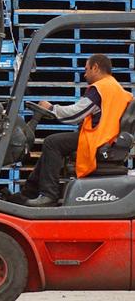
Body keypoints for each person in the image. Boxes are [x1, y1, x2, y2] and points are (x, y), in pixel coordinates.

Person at [22, 53, 132, 207]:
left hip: (98, 140)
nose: (84, 74)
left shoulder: (101, 88)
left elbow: (76, 114)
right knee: (54, 144)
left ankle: (48, 195)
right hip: (107, 139)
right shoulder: (117, 89)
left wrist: (52, 108)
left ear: (95, 67)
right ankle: (28, 192)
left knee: (52, 142)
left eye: (87, 69)